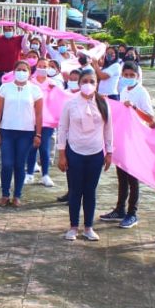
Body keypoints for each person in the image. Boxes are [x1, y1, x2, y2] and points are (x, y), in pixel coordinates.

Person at [57, 70, 114, 241]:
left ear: (97, 84)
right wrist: (62, 154)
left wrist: (109, 152)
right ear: (80, 83)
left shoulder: (103, 103)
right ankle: (73, 226)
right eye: (85, 81)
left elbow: (108, 129)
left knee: (90, 191)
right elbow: (63, 128)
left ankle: (88, 227)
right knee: (75, 191)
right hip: (74, 152)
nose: (88, 84)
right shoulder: (70, 103)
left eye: (92, 81)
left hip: (95, 153)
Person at [101, 61, 154, 228]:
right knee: (121, 176)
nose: (129, 78)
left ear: (138, 76)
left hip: (135, 139)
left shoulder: (141, 92)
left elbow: (150, 118)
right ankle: (120, 209)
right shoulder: (123, 90)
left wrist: (134, 108)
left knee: (133, 177)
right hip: (123, 138)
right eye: (126, 75)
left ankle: (133, 213)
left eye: (132, 75)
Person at [0, 60, 43, 207]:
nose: (22, 72)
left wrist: (38, 134)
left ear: (29, 73)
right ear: (14, 72)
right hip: (7, 131)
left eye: (25, 70)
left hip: (26, 132)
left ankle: (17, 195)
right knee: (7, 164)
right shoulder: (5, 88)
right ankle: (4, 194)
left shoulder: (35, 90)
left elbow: (39, 114)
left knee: (20, 165)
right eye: (19, 69)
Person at [26, 59, 63, 188]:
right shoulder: (30, 83)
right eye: (40, 66)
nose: (42, 68)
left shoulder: (53, 84)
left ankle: (45, 175)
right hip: (31, 120)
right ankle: (29, 173)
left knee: (44, 148)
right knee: (32, 147)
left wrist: (55, 90)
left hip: (47, 121)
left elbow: (61, 99)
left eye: (45, 66)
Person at [0, 24, 25, 94]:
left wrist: (22, 27)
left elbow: (29, 35)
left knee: (14, 93)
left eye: (10, 30)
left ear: (13, 30)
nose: (8, 31)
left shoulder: (18, 39)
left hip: (13, 73)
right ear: (3, 31)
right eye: (5, 30)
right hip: (0, 72)